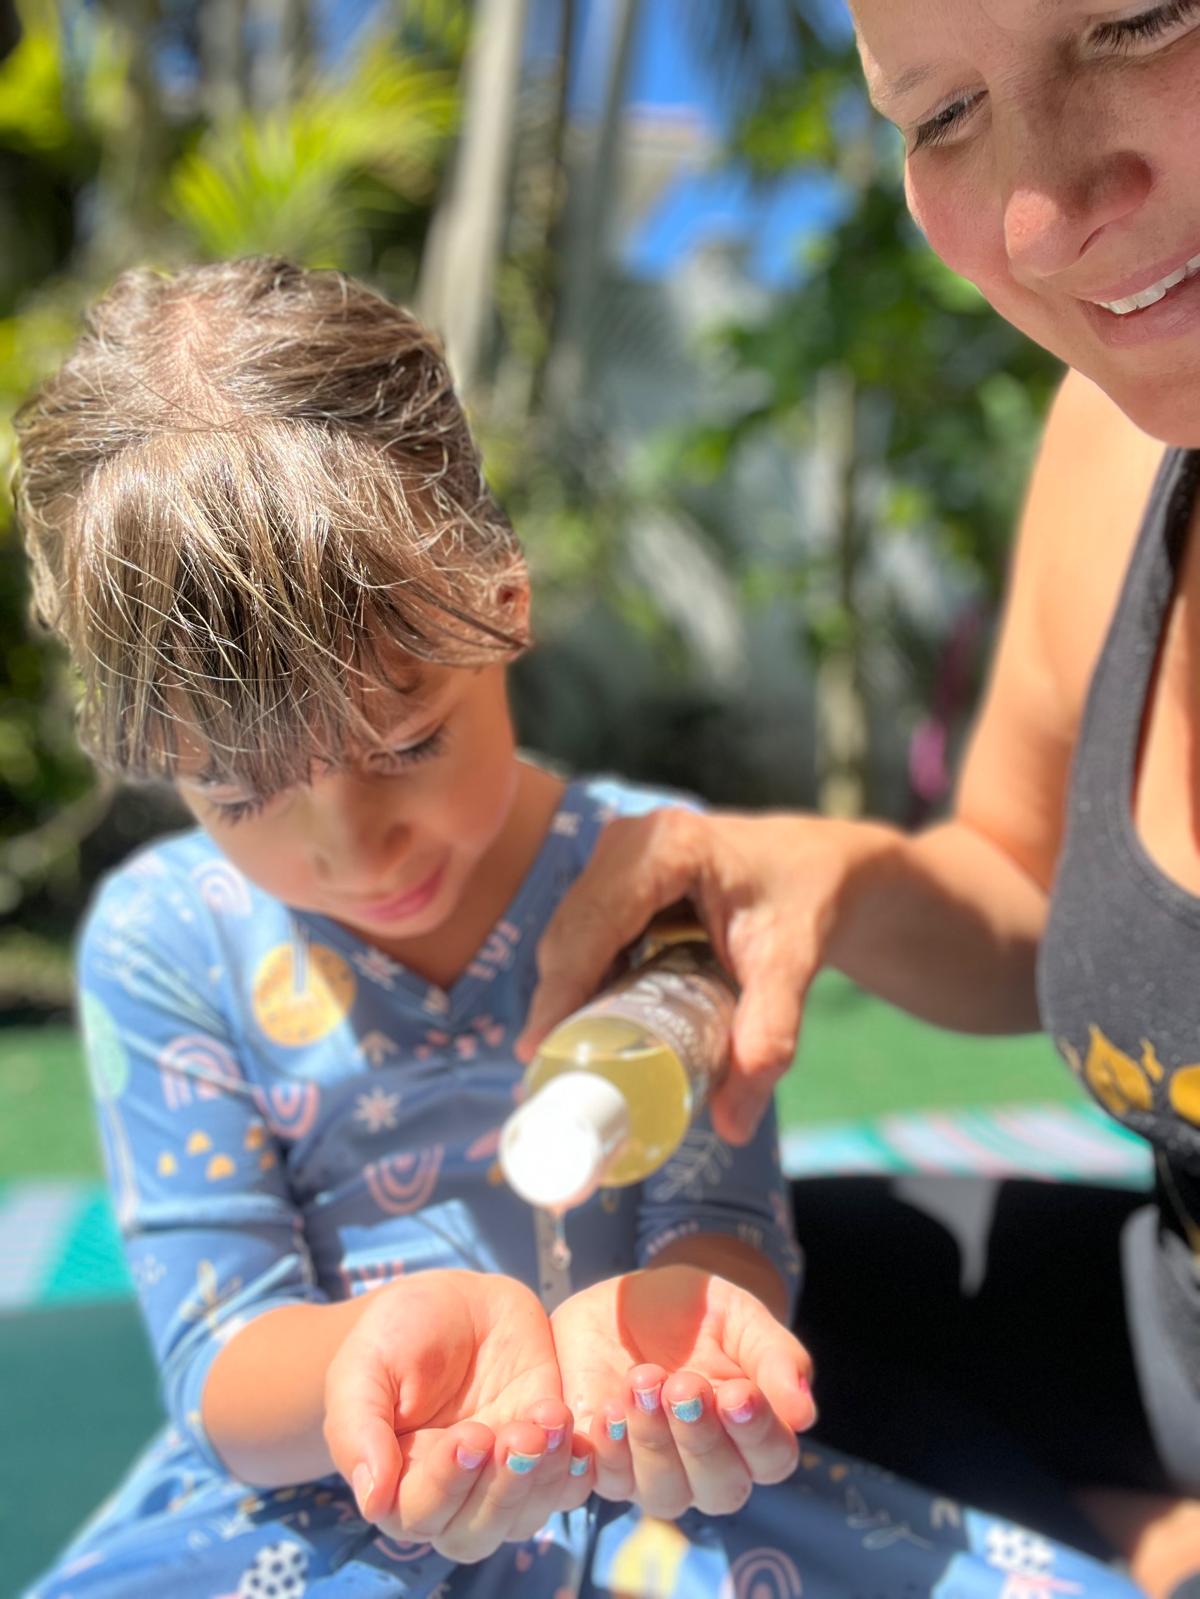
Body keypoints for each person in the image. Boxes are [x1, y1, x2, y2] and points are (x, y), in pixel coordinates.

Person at [12, 259, 1139, 1599]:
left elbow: (721, 1217)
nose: (353, 849)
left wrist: (687, 1338)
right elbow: (221, 1355)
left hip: (650, 1482)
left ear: (502, 595)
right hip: (321, 1507)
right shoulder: (165, 942)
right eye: (239, 792)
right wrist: (372, 1357)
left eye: (408, 743)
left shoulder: (643, 871)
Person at [513, 4, 1200, 1597]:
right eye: (941, 114)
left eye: (1140, 20)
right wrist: (823, 875)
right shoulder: (1117, 453)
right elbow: (1038, 893)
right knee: (704, 1324)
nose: (1044, 213)